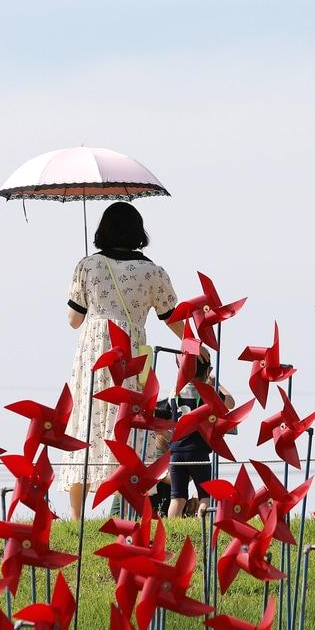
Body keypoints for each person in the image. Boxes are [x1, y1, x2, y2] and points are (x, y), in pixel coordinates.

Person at [60, 201, 183, 520]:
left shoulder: (87, 266)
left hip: (96, 349)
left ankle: (76, 516)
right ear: (138, 233)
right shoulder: (153, 271)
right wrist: (197, 344)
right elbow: (173, 318)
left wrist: (83, 284)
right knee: (129, 424)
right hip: (133, 350)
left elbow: (74, 319)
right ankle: (129, 509)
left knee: (88, 421)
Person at [156, 354, 234, 518]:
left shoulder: (174, 390)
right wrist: (216, 383)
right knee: (205, 495)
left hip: (176, 452)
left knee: (177, 498)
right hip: (198, 451)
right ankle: (202, 525)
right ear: (207, 371)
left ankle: (171, 531)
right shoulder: (207, 392)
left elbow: (166, 413)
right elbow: (230, 403)